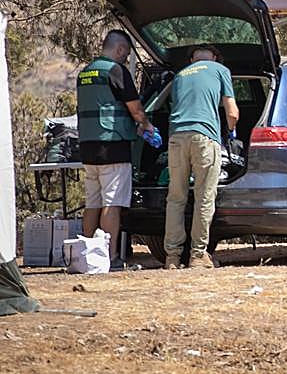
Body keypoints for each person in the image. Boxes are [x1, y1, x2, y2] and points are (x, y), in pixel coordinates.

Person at [76, 29, 153, 270]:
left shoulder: (85, 72)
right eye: (126, 53)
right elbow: (135, 108)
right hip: (113, 147)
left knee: (92, 202)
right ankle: (109, 258)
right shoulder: (116, 70)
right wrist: (146, 125)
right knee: (112, 203)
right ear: (119, 50)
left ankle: (86, 256)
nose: (124, 57)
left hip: (88, 147)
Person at [164, 46, 237, 269]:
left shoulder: (179, 76)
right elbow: (232, 112)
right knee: (204, 196)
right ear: (214, 57)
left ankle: (172, 257)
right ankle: (198, 255)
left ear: (192, 59)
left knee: (176, 198)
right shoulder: (220, 69)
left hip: (176, 138)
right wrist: (230, 133)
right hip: (204, 137)